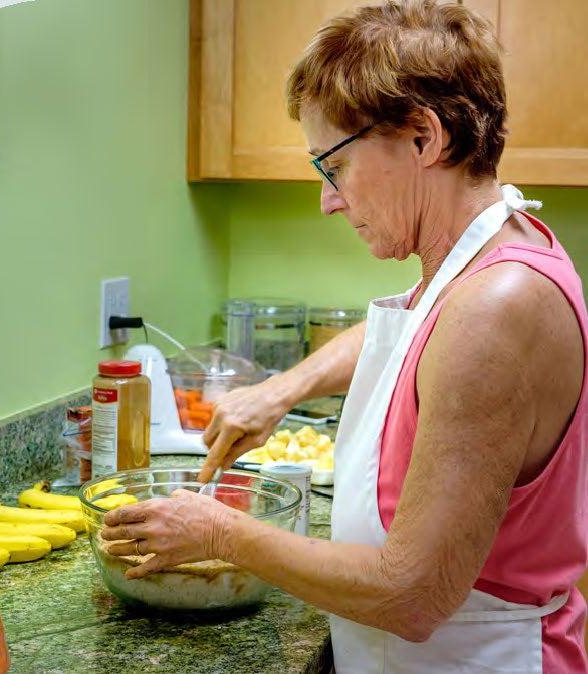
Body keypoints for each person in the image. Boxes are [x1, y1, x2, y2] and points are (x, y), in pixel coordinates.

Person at [101, 1, 588, 671]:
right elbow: (416, 333)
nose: (329, 199)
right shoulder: (486, 258)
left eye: (334, 166)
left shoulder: (496, 307)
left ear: (423, 138)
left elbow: (412, 594)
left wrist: (221, 531)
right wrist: (282, 388)